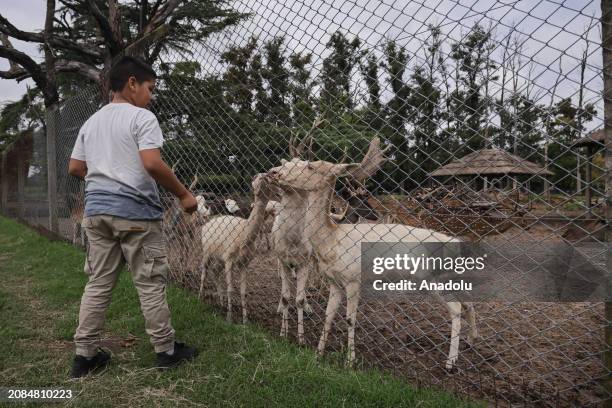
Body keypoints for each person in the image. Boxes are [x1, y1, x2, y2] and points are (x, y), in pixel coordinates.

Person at [67, 56, 199, 378]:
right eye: (150, 88)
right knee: (150, 282)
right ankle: (166, 351)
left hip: (97, 213)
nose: (151, 96)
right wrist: (184, 195)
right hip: (136, 215)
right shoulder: (142, 118)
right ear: (132, 84)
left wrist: (103, 181)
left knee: (98, 282)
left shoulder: (92, 122)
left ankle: (84, 357)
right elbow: (152, 164)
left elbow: (75, 168)